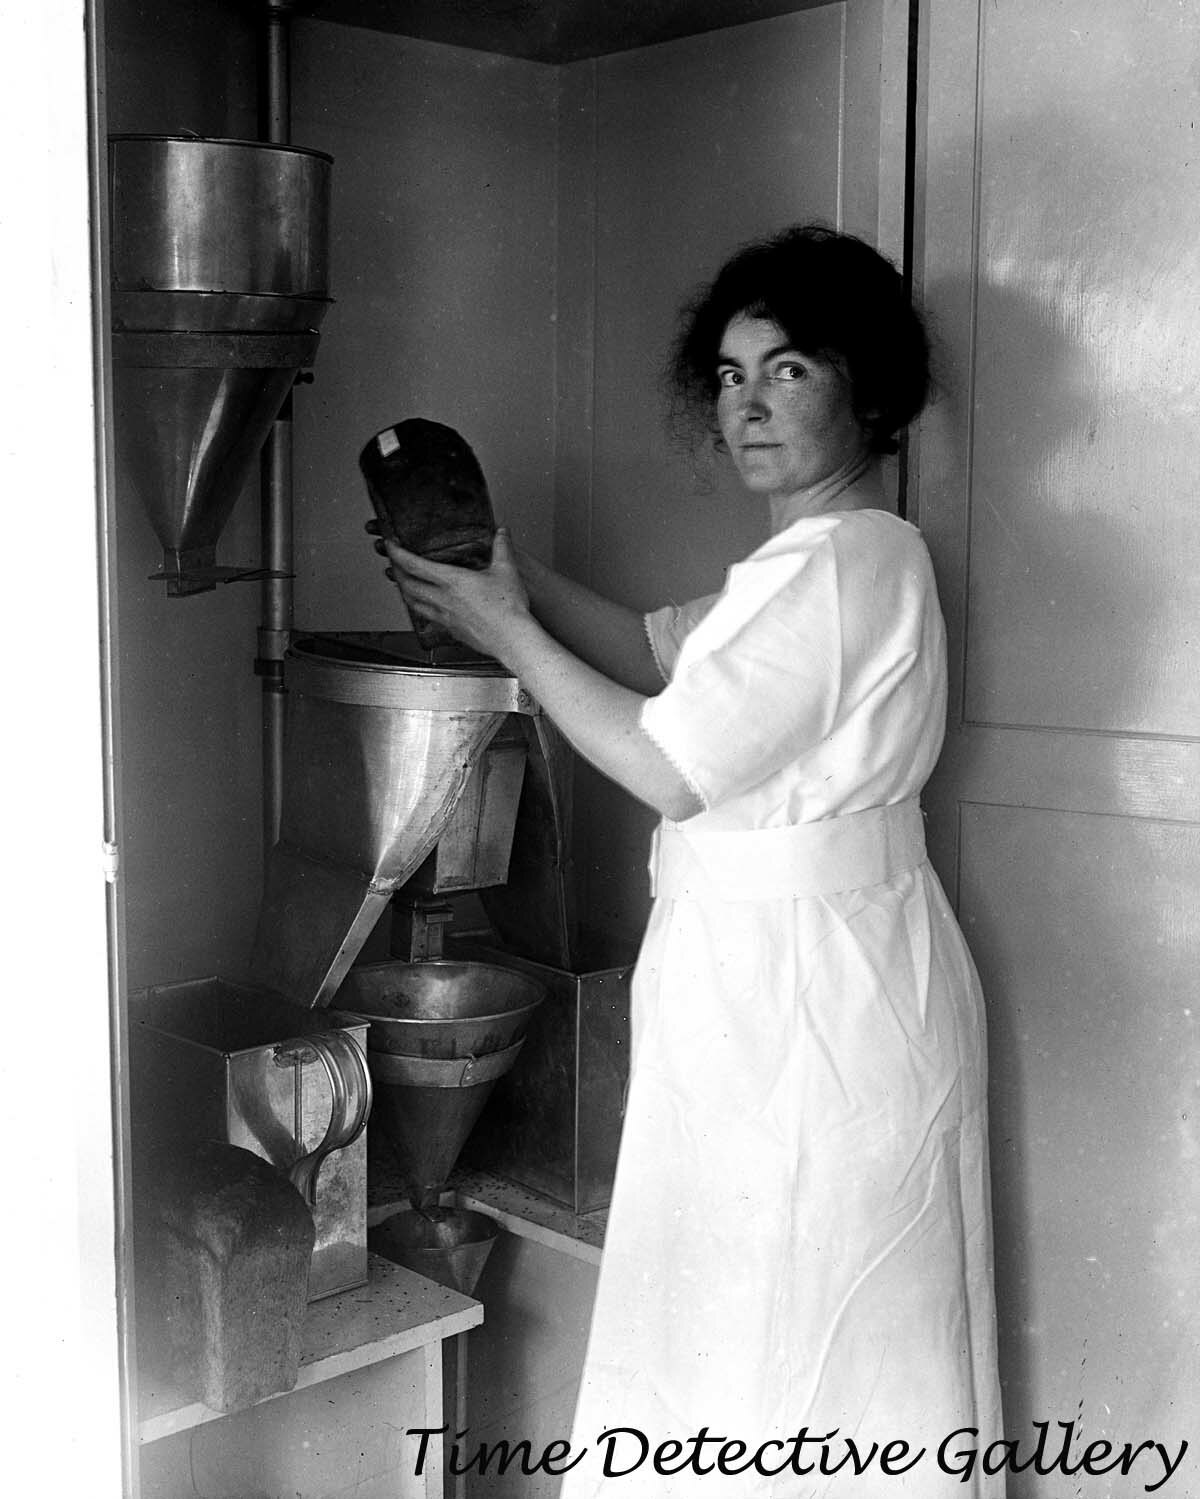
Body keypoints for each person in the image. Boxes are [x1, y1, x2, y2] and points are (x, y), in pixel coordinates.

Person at [375, 225, 1004, 1496]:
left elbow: (667, 760)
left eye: (789, 369)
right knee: (755, 1335)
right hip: (780, 984)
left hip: (817, 1000)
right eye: (727, 375)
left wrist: (500, 627)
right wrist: (510, 574)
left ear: (869, 390)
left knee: (812, 1339)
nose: (749, 403)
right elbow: (659, 650)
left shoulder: (851, 561)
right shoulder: (805, 566)